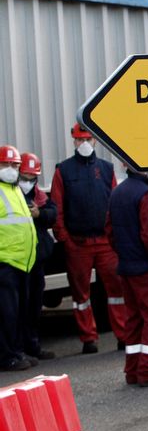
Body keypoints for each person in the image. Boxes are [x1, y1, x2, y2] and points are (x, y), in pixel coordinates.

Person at [51, 124, 127, 353]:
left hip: (105, 242)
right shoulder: (63, 170)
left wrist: (114, 236)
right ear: (73, 141)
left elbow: (114, 202)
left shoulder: (106, 169)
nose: (84, 144)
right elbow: (57, 206)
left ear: (95, 141)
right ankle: (88, 339)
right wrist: (65, 238)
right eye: (79, 140)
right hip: (78, 244)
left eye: (88, 139)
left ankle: (123, 335)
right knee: (80, 295)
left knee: (116, 291)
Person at [107, 166, 148, 387]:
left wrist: (125, 254)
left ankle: (133, 369)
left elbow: (109, 230)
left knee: (134, 320)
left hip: (127, 267)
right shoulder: (145, 194)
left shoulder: (118, 192)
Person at [0, 145, 37, 372]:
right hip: (5, 262)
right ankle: (7, 357)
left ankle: (16, 351)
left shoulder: (14, 190)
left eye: (15, 165)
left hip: (22, 262)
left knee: (18, 313)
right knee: (6, 314)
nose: (11, 169)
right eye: (6, 165)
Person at [18, 152, 57, 361]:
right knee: (17, 306)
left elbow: (52, 212)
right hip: (16, 260)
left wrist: (39, 214)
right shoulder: (10, 194)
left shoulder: (37, 194)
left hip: (36, 258)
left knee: (34, 304)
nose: (28, 182)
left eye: (32, 178)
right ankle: (18, 349)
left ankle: (32, 345)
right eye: (25, 177)